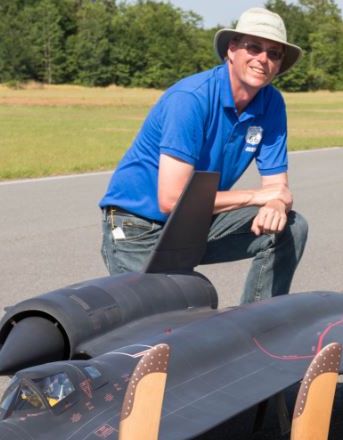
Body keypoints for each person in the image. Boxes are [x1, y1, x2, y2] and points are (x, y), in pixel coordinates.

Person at [98, 7, 308, 305]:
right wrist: (257, 197)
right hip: (138, 226)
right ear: (232, 50)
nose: (263, 59)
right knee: (169, 323)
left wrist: (274, 202)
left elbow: (278, 189)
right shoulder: (190, 99)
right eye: (254, 47)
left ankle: (256, 328)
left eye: (274, 53)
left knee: (289, 227)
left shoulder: (271, 103)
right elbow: (171, 199)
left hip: (195, 220)